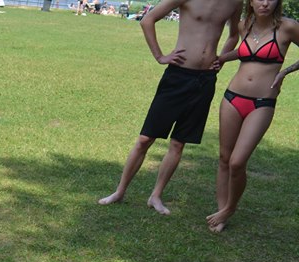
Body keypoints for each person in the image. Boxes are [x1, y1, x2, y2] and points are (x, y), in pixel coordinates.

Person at [98, 0, 242, 215]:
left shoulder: (234, 2)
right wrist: (160, 56)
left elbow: (233, 35)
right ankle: (120, 191)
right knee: (145, 138)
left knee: (178, 143)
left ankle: (156, 195)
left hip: (205, 80)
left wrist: (221, 58)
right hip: (178, 76)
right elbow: (148, 20)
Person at [206, 0, 299, 233]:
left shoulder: (288, 26)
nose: (264, 3)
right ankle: (221, 211)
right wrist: (222, 58)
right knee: (224, 158)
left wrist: (285, 72)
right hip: (232, 98)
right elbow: (244, 51)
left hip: (262, 102)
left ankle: (230, 207)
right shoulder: (243, 25)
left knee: (237, 162)